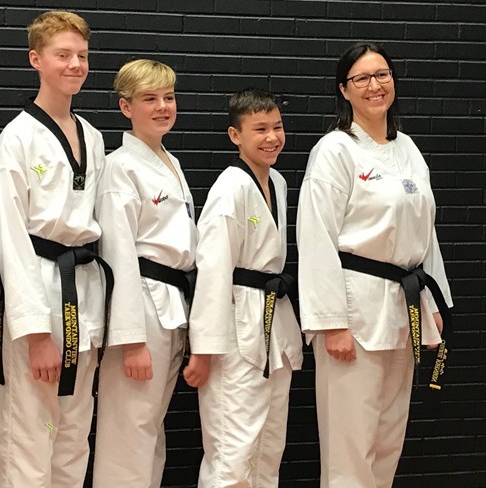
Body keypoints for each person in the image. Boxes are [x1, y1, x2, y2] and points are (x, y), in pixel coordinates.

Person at [296, 41, 453, 488]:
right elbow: (316, 238)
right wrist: (331, 323)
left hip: (404, 308)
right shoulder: (335, 150)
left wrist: (434, 303)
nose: (374, 85)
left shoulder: (408, 149)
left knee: (388, 438)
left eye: (382, 75)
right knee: (351, 445)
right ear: (344, 90)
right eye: (362, 78)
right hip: (355, 312)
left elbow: (426, 233)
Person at [0, 11, 112, 488]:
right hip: (38, 291)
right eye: (63, 55)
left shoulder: (94, 136)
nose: (75, 65)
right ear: (36, 59)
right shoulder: (16, 139)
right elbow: (10, 240)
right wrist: (35, 331)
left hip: (83, 292)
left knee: (74, 430)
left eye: (81, 56)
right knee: (30, 432)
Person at [184, 88, 303, 487]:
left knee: (269, 446)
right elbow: (212, 270)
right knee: (233, 450)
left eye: (278, 127)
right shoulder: (229, 188)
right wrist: (203, 350)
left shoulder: (279, 183)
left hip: (272, 322)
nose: (272, 137)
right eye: (260, 129)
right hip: (236, 328)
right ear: (236, 135)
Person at [93, 59, 197, 488]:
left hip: (172, 304)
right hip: (142, 307)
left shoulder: (169, 161)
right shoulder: (120, 166)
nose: (162, 107)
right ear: (125, 107)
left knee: (151, 428)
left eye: (168, 97)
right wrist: (130, 339)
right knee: (129, 430)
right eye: (149, 99)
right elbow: (117, 254)